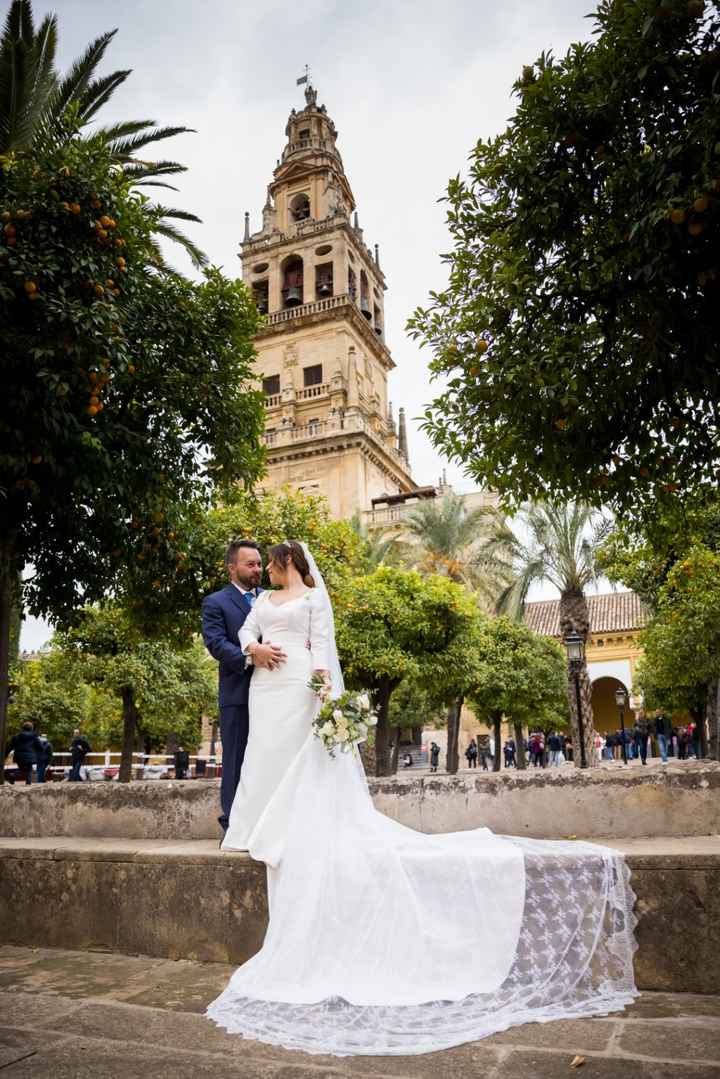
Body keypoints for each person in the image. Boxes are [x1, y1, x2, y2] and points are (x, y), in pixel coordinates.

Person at [206, 540, 637, 1056]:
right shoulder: (258, 603)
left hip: (298, 683)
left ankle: (297, 824)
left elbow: (322, 648)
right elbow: (245, 635)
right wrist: (254, 649)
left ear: (287, 564)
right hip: (265, 686)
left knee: (301, 759)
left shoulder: (315, 600)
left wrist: (323, 687)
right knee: (265, 757)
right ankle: (258, 826)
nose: (265, 572)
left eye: (270, 564)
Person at [201, 540, 285, 838]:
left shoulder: (273, 598)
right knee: (235, 760)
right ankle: (233, 827)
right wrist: (251, 656)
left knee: (270, 757)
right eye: (250, 564)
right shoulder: (215, 602)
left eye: (260, 564)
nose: (257, 569)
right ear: (231, 568)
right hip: (237, 693)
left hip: (275, 694)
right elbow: (216, 643)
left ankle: (267, 824)